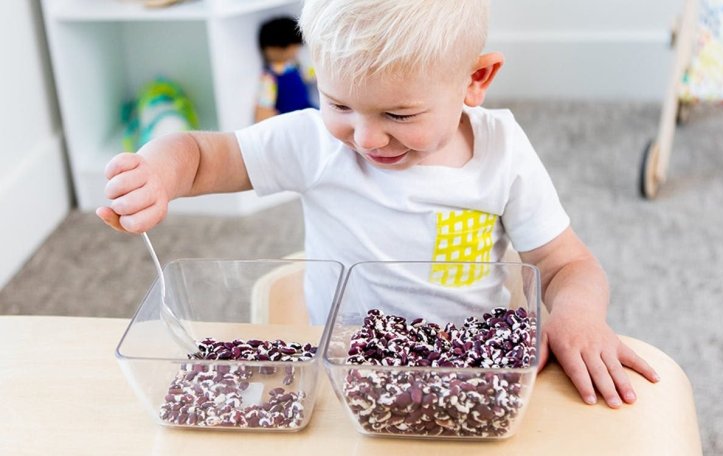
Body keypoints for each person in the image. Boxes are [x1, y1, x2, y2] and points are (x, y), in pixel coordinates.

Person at [97, 0, 659, 409]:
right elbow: (202, 155)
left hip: (468, 377)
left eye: (398, 115)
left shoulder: (502, 153)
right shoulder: (315, 140)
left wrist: (579, 315)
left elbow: (567, 265)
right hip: (345, 374)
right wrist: (157, 172)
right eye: (339, 101)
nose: (364, 139)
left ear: (476, 80)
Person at [253, 16, 316, 122]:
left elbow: (311, 75)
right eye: (294, 46)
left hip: (307, 111)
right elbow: (264, 108)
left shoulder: (296, 67)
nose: (296, 50)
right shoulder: (269, 78)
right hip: (289, 119)